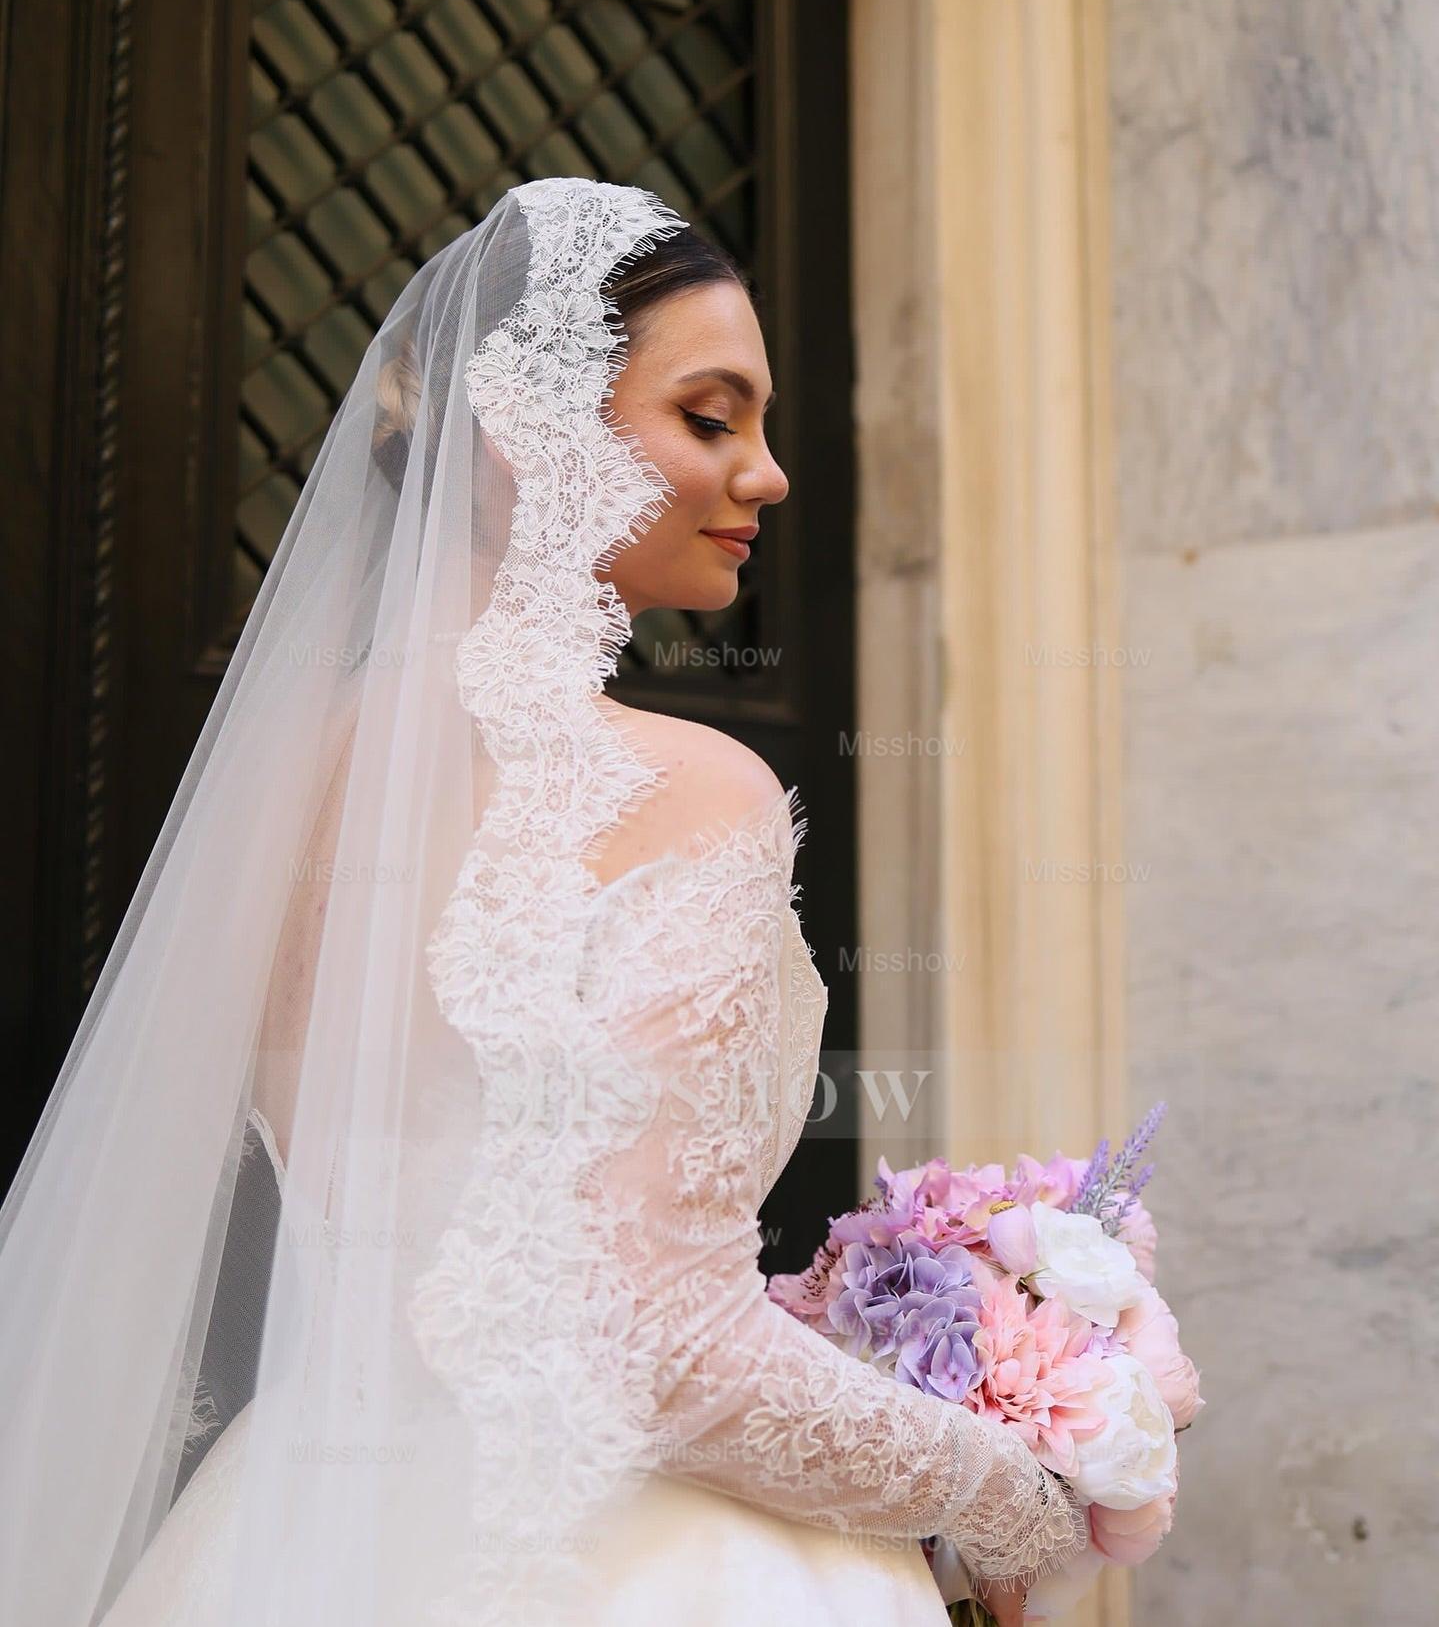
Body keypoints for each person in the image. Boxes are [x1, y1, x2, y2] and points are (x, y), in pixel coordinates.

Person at [0, 177, 1087, 1625]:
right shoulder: (696, 788)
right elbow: (657, 1342)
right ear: (525, 430)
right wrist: (1008, 1486)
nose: (767, 475)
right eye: (711, 418)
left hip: (293, 1538)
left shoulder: (277, 785)